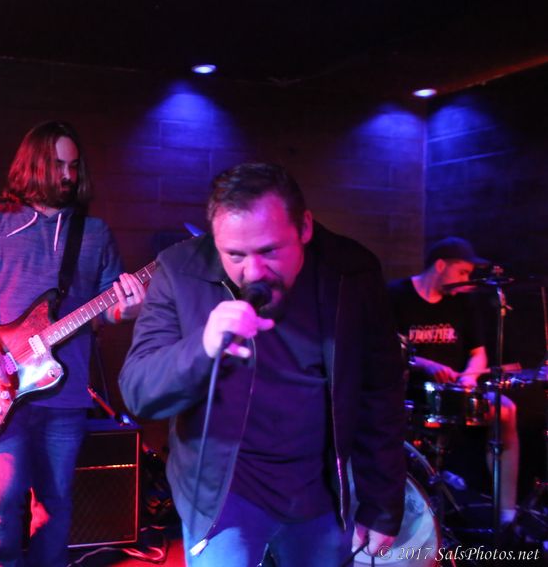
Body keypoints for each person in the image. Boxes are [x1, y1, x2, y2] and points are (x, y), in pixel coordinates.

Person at [118, 163, 406, 566]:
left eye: (269, 251)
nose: (253, 272)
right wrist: (202, 347)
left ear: (305, 227)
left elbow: (380, 393)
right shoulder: (179, 269)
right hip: (222, 499)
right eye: (235, 255)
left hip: (321, 497)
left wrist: (383, 502)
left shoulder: (352, 272)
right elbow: (138, 391)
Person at [0, 121, 145, 567]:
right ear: (33, 165)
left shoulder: (94, 233)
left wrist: (128, 309)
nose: (68, 175)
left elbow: (109, 309)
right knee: (2, 496)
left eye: (74, 166)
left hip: (65, 394)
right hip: (2, 385)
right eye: (58, 165)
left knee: (57, 503)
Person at [388, 237, 519, 525]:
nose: (467, 280)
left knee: (507, 410)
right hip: (412, 393)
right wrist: (426, 365)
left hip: (455, 392)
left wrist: (469, 378)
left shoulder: (462, 302)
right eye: (462, 272)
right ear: (440, 265)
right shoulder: (395, 295)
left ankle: (506, 512)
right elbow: (385, 350)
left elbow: (478, 354)